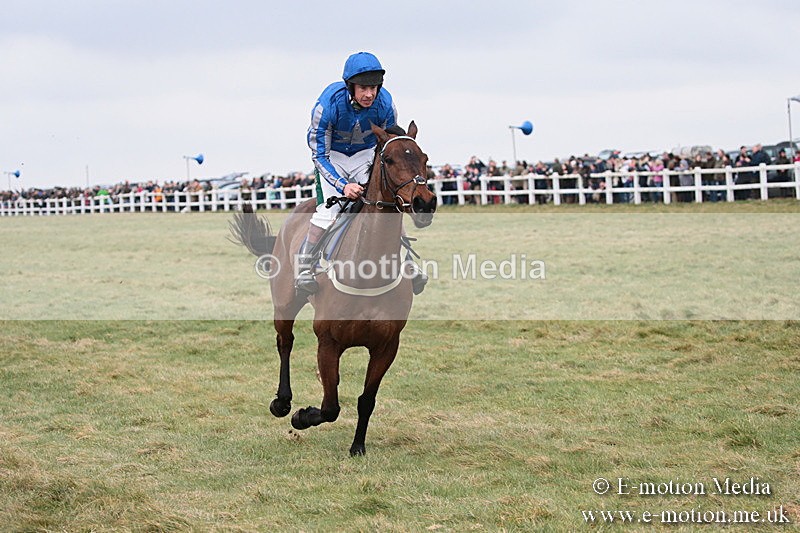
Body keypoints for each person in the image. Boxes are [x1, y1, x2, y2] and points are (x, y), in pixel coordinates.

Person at [296, 51, 425, 296]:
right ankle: (304, 267)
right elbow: (319, 155)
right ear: (350, 87)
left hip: (366, 153)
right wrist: (343, 185)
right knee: (329, 211)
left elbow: (389, 144)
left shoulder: (386, 104)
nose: (369, 95)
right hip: (331, 156)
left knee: (387, 204)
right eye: (363, 88)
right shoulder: (327, 105)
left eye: (374, 88)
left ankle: (408, 263)